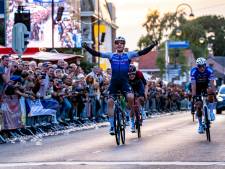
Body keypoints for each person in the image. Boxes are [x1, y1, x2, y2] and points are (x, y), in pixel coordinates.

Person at [82, 36, 158, 134]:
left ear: (124, 45)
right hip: (114, 83)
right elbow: (96, 53)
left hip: (124, 83)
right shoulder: (111, 55)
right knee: (110, 102)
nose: (119, 45)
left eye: (121, 43)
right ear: (115, 45)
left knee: (131, 97)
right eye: (117, 43)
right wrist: (87, 48)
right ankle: (112, 126)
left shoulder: (128, 55)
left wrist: (152, 46)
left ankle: (130, 117)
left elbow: (142, 52)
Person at [190, 57, 216, 134]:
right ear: (197, 66)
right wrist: (194, 95)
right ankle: (200, 125)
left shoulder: (209, 70)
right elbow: (193, 85)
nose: (201, 68)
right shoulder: (194, 71)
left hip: (206, 85)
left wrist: (214, 92)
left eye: (203, 66)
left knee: (211, 92)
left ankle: (211, 112)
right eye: (199, 66)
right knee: (198, 105)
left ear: (205, 65)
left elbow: (212, 83)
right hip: (197, 86)